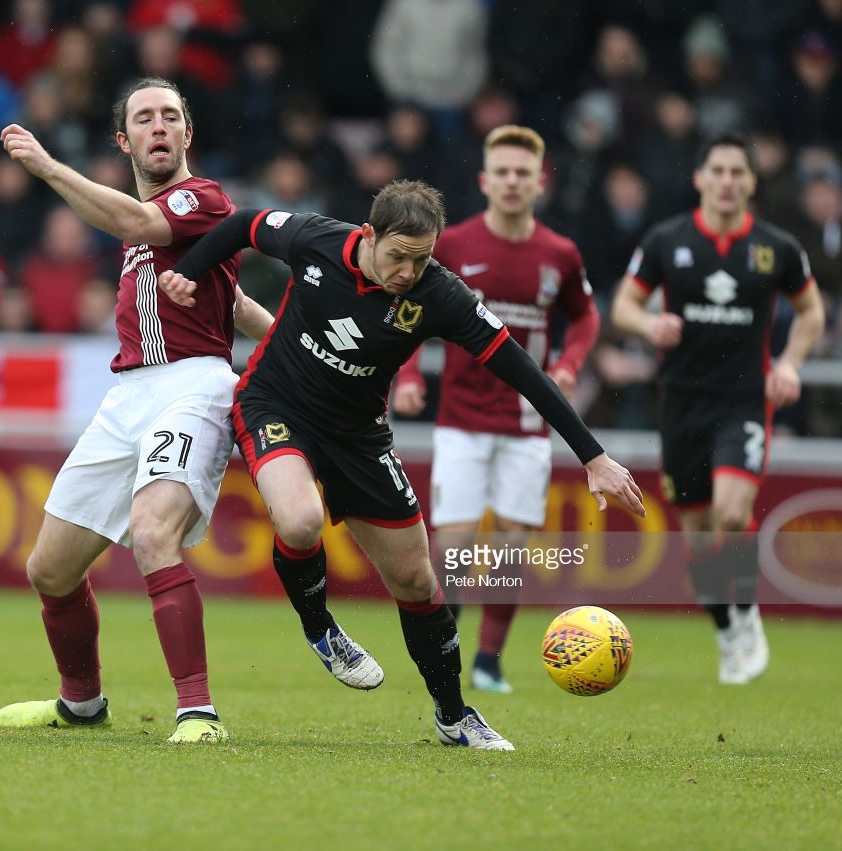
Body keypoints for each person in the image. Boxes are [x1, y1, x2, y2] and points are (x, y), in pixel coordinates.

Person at [159, 179, 644, 751]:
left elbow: (520, 369)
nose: (408, 271)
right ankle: (322, 630)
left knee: (417, 580)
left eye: (422, 258)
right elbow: (244, 225)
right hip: (273, 403)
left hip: (359, 436)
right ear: (368, 236)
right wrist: (188, 269)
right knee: (299, 520)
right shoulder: (315, 239)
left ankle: (453, 715)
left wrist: (593, 456)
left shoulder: (440, 294)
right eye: (398, 256)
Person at [0, 77, 274, 743]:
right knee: (49, 568)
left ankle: (198, 712)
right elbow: (234, 303)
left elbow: (134, 220)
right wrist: (291, 341)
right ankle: (81, 703)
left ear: (186, 135)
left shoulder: (201, 200)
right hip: (127, 394)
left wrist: (45, 165)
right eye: (144, 118)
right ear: (124, 140)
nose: (158, 126)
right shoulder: (145, 228)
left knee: (152, 533)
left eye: (170, 116)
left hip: (193, 385)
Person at [392, 126, 600, 694]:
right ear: (485, 181)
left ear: (539, 181)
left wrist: (570, 363)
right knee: (454, 544)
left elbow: (585, 317)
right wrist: (407, 375)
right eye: (502, 173)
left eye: (522, 173)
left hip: (529, 424)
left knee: (508, 544)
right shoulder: (455, 244)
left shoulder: (560, 254)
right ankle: (452, 638)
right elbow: (411, 308)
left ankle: (488, 658)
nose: (512, 182)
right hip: (461, 419)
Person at [612, 132, 825, 685]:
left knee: (732, 513)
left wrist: (790, 364)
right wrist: (648, 323)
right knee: (700, 533)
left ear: (752, 183)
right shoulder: (667, 241)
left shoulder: (777, 247)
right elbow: (624, 305)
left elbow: (811, 312)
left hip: (744, 399)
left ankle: (748, 611)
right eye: (719, 171)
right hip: (681, 402)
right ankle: (726, 630)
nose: (728, 181)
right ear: (700, 178)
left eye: (738, 172)